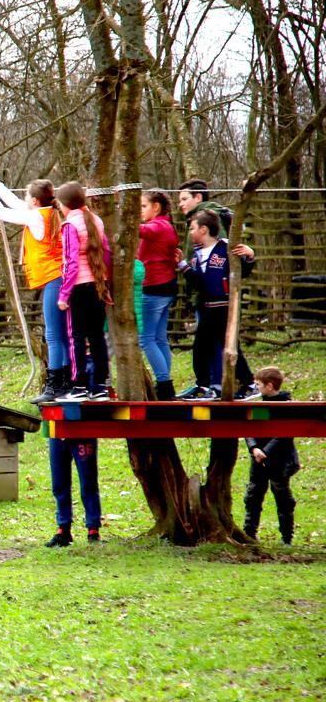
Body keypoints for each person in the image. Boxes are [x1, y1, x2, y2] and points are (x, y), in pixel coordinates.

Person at [0, 171, 67, 402]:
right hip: (59, 277)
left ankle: (56, 385)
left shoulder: (37, 216)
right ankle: (64, 382)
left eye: (27, 196)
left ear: (35, 201)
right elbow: (16, 203)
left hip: (55, 277)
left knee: (54, 335)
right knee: (60, 334)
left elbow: (2, 211)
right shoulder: (47, 212)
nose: (24, 198)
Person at [177, 208, 257, 401]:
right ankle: (203, 386)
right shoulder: (197, 255)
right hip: (207, 307)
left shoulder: (226, 248)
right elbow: (198, 283)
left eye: (192, 228)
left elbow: (242, 271)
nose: (190, 232)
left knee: (229, 346)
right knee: (201, 348)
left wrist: (250, 255)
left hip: (224, 307)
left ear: (203, 229)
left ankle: (249, 384)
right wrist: (183, 265)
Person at [55, 182, 113, 401]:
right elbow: (106, 253)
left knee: (76, 337)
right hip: (99, 285)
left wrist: (64, 294)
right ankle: (100, 386)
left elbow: (71, 262)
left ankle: (79, 385)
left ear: (65, 204)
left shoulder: (70, 225)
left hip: (79, 287)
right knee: (97, 336)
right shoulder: (96, 221)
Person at [243, 367, 300, 545]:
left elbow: (285, 434)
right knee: (253, 496)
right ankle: (249, 534)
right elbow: (249, 428)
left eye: (258, 384)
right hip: (258, 459)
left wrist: (266, 451)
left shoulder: (285, 406)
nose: (256, 387)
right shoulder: (258, 404)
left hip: (280, 460)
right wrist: (254, 448)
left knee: (283, 499)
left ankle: (286, 538)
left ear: (270, 386)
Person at [138, 190, 180, 400]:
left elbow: (137, 230)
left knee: (146, 338)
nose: (140, 212)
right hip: (166, 286)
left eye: (143, 206)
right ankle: (164, 382)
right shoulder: (167, 226)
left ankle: (164, 383)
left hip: (154, 287)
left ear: (156, 207)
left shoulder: (158, 226)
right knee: (159, 338)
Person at [45, 437, 102, 546]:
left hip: (83, 431)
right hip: (57, 432)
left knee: (88, 483)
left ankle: (93, 530)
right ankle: (63, 530)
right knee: (59, 483)